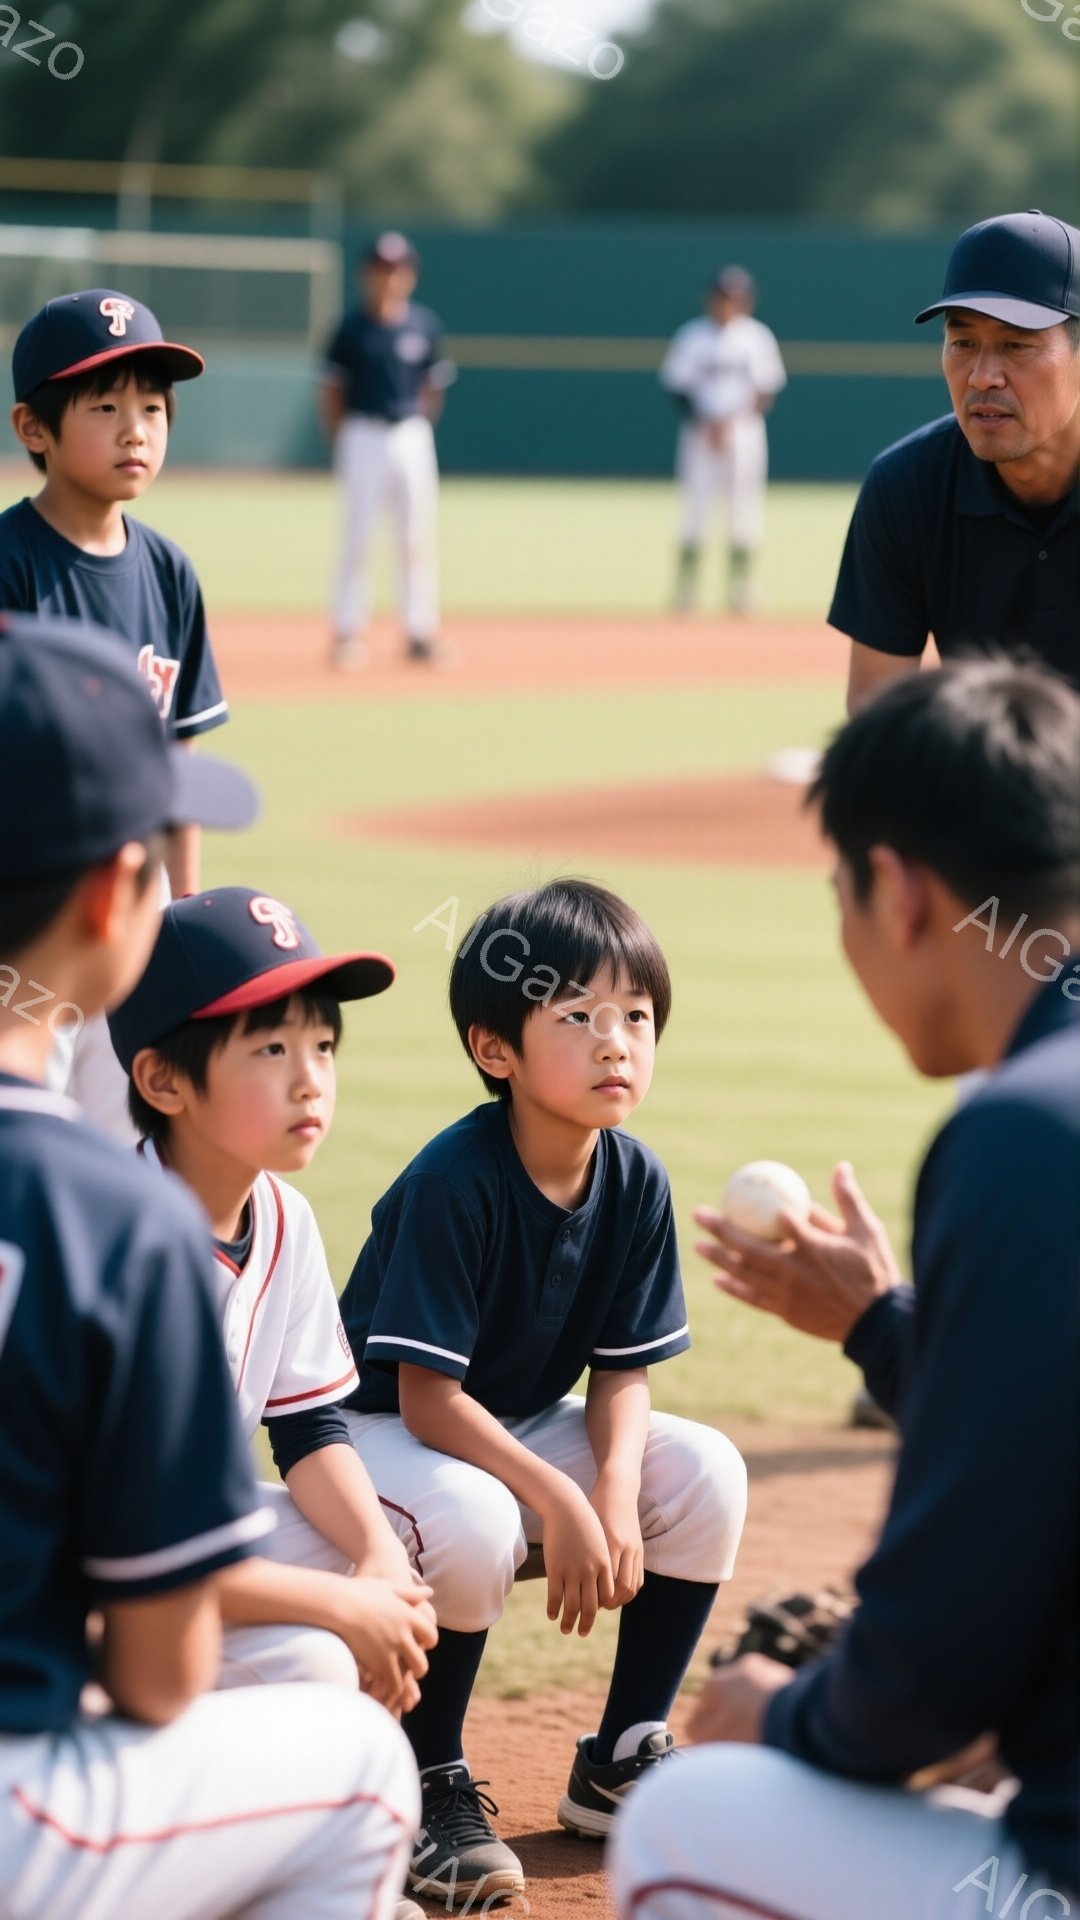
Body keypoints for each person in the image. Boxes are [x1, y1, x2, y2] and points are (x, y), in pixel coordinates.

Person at [611, 658, 1080, 1920]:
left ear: (897, 889)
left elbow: (944, 1655)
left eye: (841, 892)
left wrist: (796, 1713)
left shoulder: (1022, 1132)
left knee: (677, 1822)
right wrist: (882, 1324)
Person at [0, 611, 421, 1920]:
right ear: (112, 897)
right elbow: (163, 1673)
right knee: (356, 1770)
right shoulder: (113, 1224)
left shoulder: (227, 1219)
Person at [338, 879, 748, 1910]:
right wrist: (562, 1500)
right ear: (495, 1050)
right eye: (579, 1017)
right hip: (376, 1435)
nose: (617, 1042)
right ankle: (429, 1776)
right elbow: (427, 1403)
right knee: (478, 1517)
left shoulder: (634, 1177)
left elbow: (623, 1372)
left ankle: (620, 1756)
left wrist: (611, 1490)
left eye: (637, 1018)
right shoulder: (454, 1180)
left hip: (499, 1425)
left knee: (703, 1472)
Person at [106, 888, 440, 1714]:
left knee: (437, 1543)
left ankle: (431, 1775)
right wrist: (340, 1604)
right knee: (316, 1664)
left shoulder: (283, 1215)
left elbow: (307, 1425)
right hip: (86, 1573)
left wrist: (378, 1563)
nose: (310, 1082)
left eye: (323, 1045)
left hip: (181, 1541)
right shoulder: (114, 1242)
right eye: (270, 1050)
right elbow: (128, 1541)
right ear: (162, 1079)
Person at [1, 287, 231, 1137]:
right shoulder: (11, 566)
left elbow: (182, 765)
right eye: (104, 405)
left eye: (153, 405)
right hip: (30, 906)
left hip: (135, 907)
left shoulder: (169, 574)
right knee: (25, 1120)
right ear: (35, 428)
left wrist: (185, 920)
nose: (136, 427)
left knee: (124, 1129)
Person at [832, 210, 1080, 714]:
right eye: (963, 342)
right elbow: (878, 723)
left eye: (1016, 345)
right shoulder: (907, 487)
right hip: (985, 784)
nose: (983, 376)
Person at [319, 230, 456, 670]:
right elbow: (332, 392)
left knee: (415, 536)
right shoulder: (351, 328)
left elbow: (432, 388)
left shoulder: (423, 325)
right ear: (366, 274)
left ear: (410, 275)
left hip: (411, 434)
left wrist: (418, 428)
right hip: (363, 433)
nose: (390, 277)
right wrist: (343, 439)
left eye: (398, 269)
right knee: (358, 536)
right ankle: (347, 632)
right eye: (382, 268)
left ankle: (419, 632)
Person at [660, 265, 787, 614]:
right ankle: (686, 591)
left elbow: (766, 389)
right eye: (723, 296)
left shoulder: (756, 337)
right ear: (711, 299)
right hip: (700, 434)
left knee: (743, 510)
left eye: (735, 297)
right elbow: (677, 387)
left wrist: (731, 422)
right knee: (694, 509)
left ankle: (741, 590)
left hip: (744, 433)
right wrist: (708, 423)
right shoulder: (692, 336)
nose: (728, 303)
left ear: (746, 301)